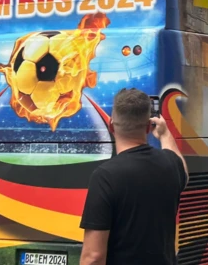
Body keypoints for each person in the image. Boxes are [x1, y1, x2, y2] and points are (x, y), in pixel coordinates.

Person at [80, 88, 188, 265]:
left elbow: (93, 257)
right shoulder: (170, 164)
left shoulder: (105, 176)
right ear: (147, 127)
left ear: (111, 125)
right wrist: (165, 134)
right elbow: (182, 169)